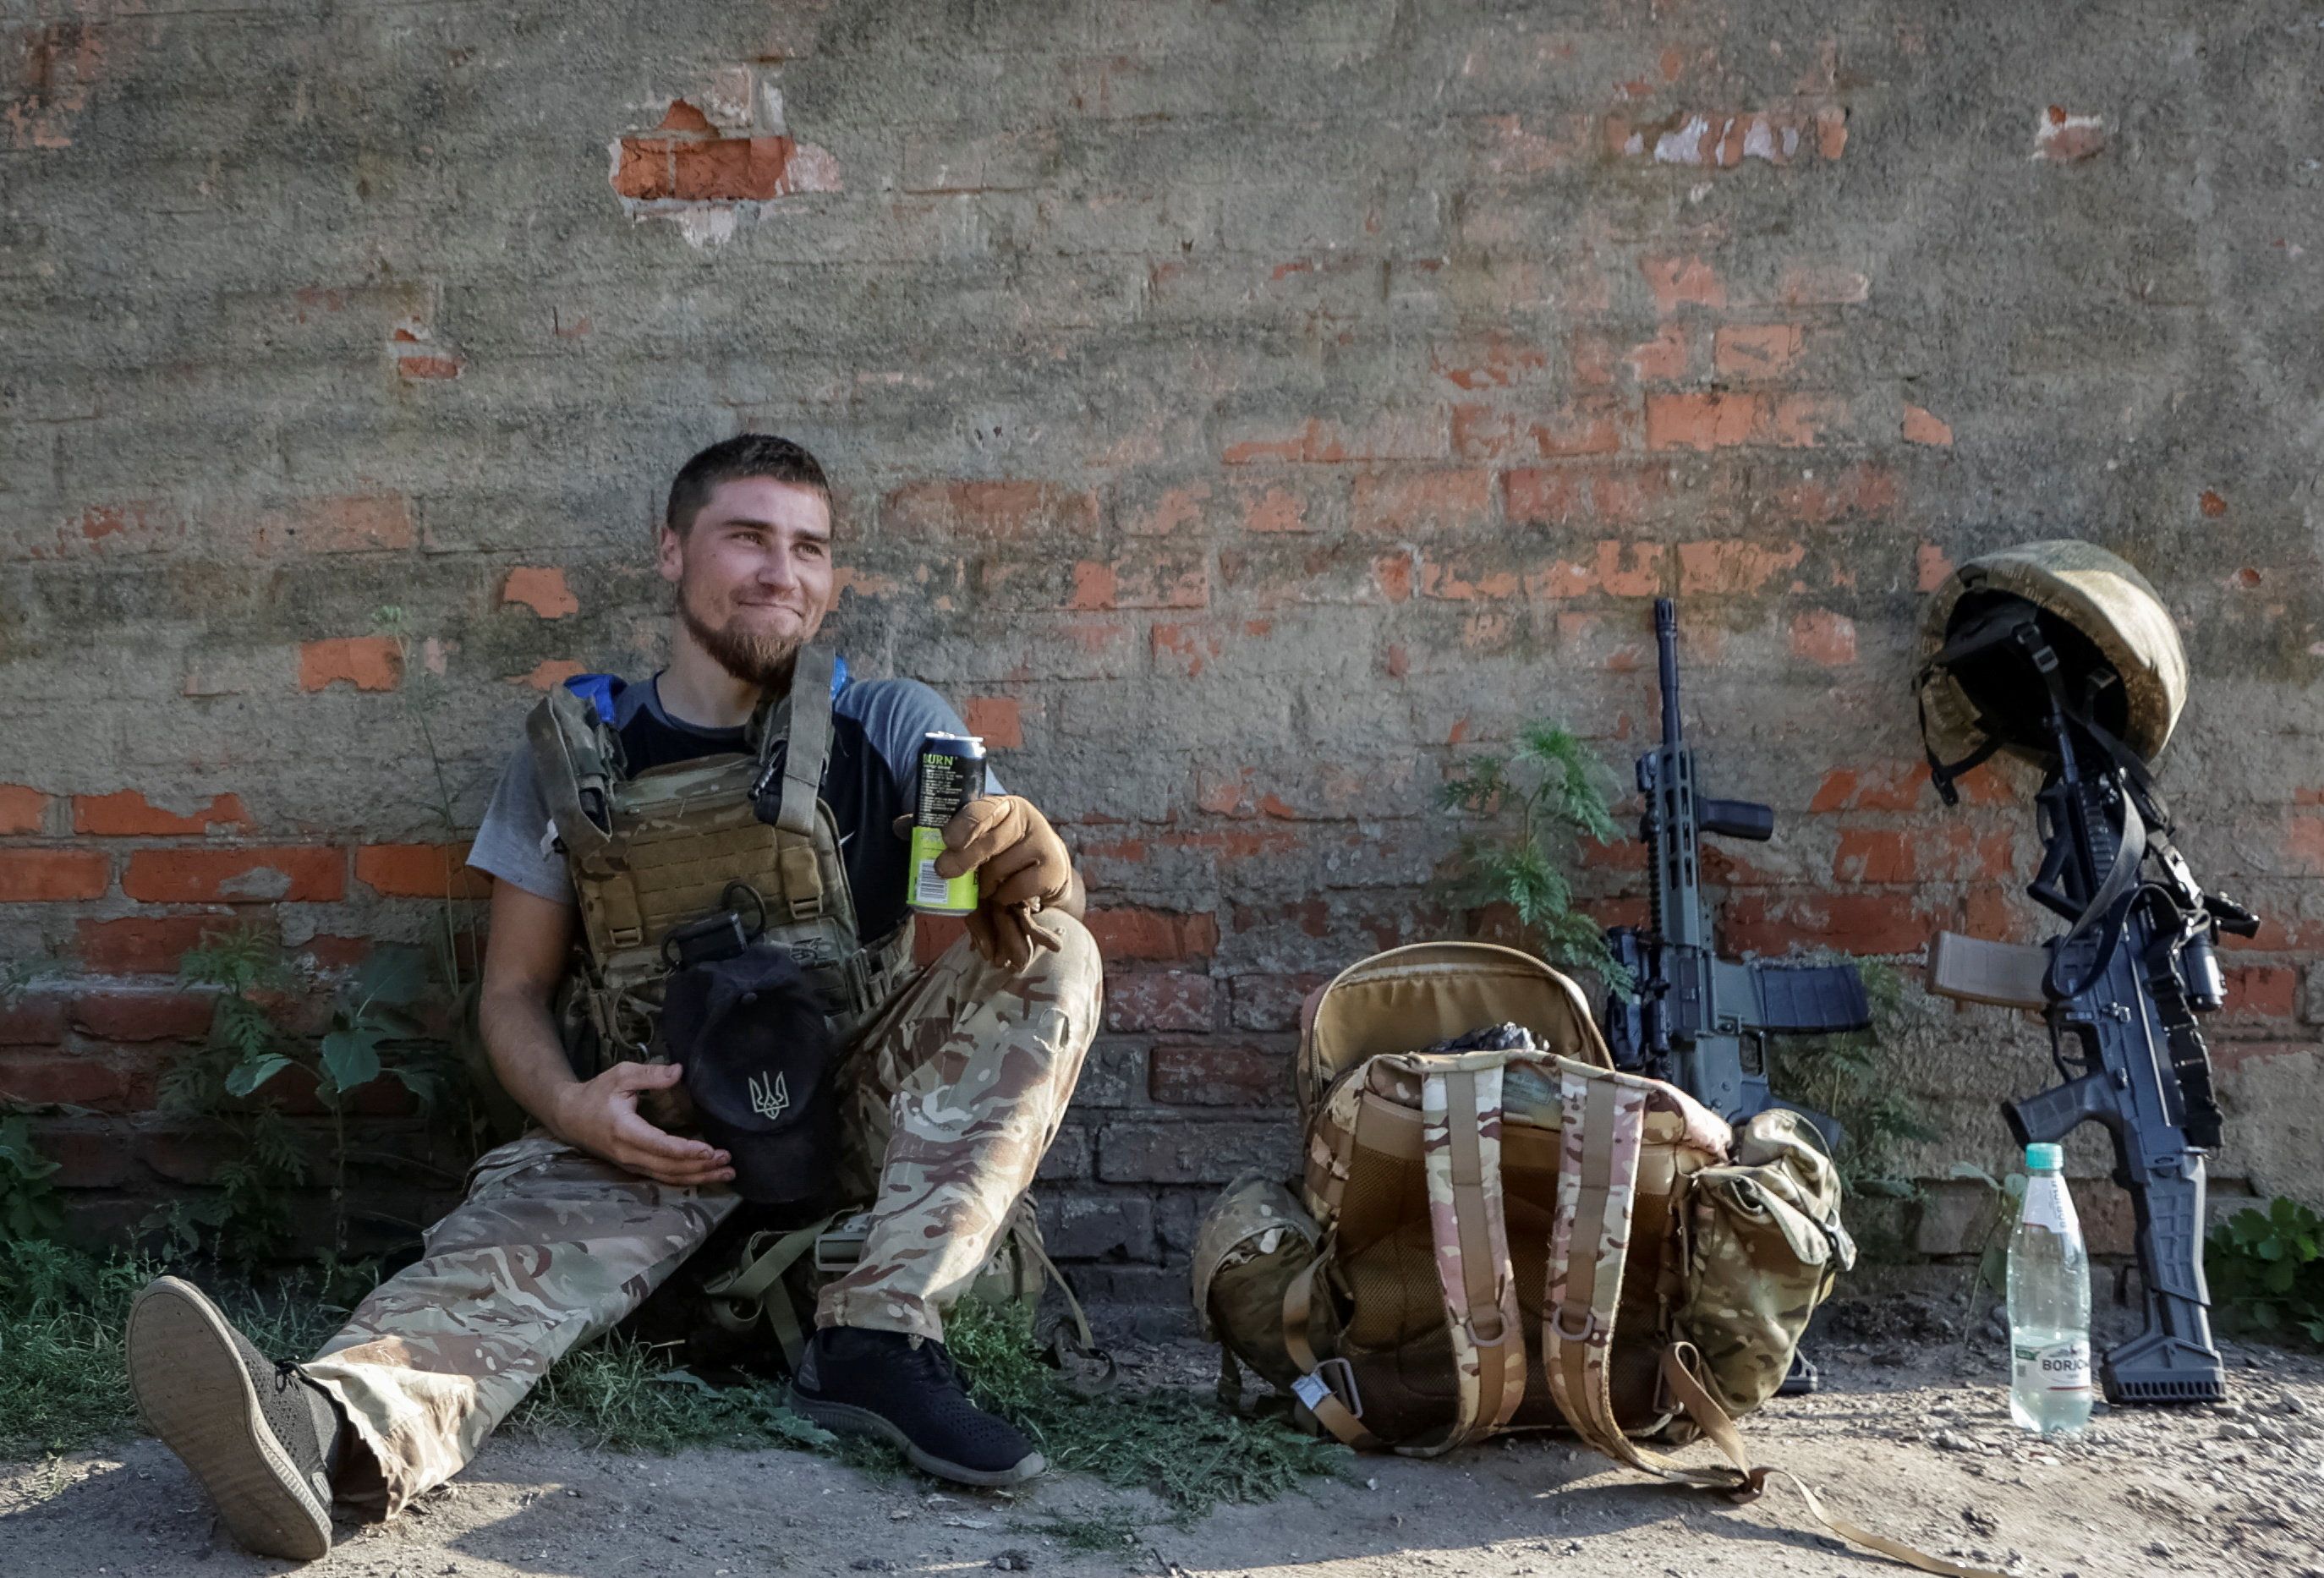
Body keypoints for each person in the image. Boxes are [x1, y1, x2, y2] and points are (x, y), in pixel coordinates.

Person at [124, 435, 1104, 1560]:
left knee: (1058, 946)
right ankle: (323, 1433)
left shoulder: (891, 724)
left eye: (809, 547)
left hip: (853, 1121)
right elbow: (513, 994)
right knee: (490, 1261)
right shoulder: (577, 750)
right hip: (658, 1130)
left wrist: (1041, 865)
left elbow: (1002, 925)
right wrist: (579, 1110)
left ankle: (879, 1337)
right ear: (672, 549)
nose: (782, 570)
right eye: (748, 536)